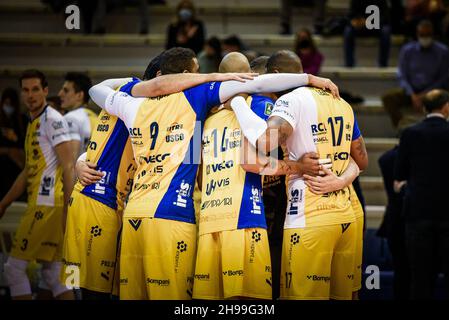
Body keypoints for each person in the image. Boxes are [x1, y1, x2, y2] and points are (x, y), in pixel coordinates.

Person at [89, 47, 340, 300]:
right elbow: (257, 154)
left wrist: (134, 84)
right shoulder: (213, 103)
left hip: (182, 216)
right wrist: (309, 79)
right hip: (230, 217)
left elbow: (197, 174)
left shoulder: (189, 116)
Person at [62, 54, 254, 300]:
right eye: (188, 75)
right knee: (91, 291)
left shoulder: (180, 109)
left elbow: (193, 159)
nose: (193, 80)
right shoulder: (134, 99)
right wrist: (81, 162)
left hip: (133, 208)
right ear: (164, 79)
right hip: (104, 201)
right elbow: (99, 105)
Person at [229, 61, 369, 299]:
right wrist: (340, 181)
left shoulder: (289, 101)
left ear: (277, 76)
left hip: (310, 214)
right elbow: (362, 161)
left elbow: (264, 144)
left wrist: (238, 102)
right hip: (348, 214)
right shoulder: (341, 101)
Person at [0, 70, 75, 300]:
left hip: (47, 205)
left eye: (35, 89)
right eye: (25, 90)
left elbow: (69, 165)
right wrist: (3, 203)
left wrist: (70, 209)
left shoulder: (52, 119)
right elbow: (27, 171)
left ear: (45, 91)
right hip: (43, 204)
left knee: (13, 269)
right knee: (53, 274)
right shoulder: (34, 122)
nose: (30, 95)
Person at [394, 89, 449, 299]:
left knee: (420, 277)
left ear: (424, 108)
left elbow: (399, 173)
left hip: (418, 213)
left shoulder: (410, 133)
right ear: (446, 107)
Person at [382, 20, 449, 131]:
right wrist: (412, 94)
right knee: (388, 98)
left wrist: (425, 94)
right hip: (411, 91)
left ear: (433, 35)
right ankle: (403, 128)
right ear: (417, 34)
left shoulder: (443, 52)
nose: (425, 38)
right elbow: (402, 75)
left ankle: (440, 131)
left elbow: (444, 78)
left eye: (427, 35)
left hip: (434, 92)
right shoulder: (407, 50)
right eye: (422, 35)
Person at [378, 146, 411, 299]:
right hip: (403, 222)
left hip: (396, 221)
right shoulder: (394, 159)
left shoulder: (389, 157)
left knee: (402, 274)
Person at [58, 72, 97, 161]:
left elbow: (71, 162)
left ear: (80, 95)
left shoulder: (70, 118)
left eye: (66, 90)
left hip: (78, 173)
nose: (60, 94)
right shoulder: (96, 117)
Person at [344, 0, 391, 67]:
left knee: (386, 31)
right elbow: (350, 15)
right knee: (348, 31)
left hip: (376, 26)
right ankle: (349, 63)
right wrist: (355, 21)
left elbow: (385, 17)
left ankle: (383, 64)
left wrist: (370, 22)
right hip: (360, 27)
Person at [0, 88, 26, 199]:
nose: (8, 107)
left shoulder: (22, 120)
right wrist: (8, 151)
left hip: (17, 166)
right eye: (6, 104)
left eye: (11, 104)